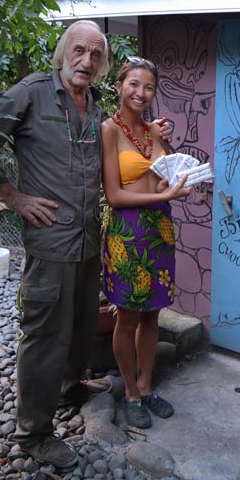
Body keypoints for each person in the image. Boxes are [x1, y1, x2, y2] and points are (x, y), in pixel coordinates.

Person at [0, 21, 172, 468]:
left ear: (103, 64)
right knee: (46, 333)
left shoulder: (93, 106)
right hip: (50, 239)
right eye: (79, 51)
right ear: (63, 51)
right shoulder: (31, 93)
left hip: (90, 236)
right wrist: (13, 197)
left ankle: (70, 386)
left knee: (83, 323)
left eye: (95, 55)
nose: (86, 61)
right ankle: (34, 433)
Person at [101, 57, 192, 429]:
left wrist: (166, 146)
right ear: (120, 85)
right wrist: (164, 195)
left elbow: (164, 180)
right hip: (126, 232)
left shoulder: (153, 132)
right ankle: (130, 393)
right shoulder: (109, 130)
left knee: (152, 313)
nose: (141, 93)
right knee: (127, 318)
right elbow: (114, 195)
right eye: (134, 84)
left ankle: (147, 385)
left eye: (149, 87)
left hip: (160, 231)